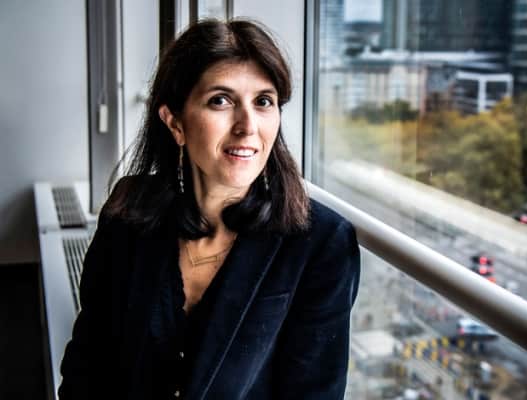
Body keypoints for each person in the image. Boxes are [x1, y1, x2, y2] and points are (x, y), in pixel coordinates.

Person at [58, 18, 360, 400]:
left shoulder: (321, 243)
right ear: (175, 123)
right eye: (221, 100)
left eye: (263, 101)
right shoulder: (130, 211)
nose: (247, 126)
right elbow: (88, 362)